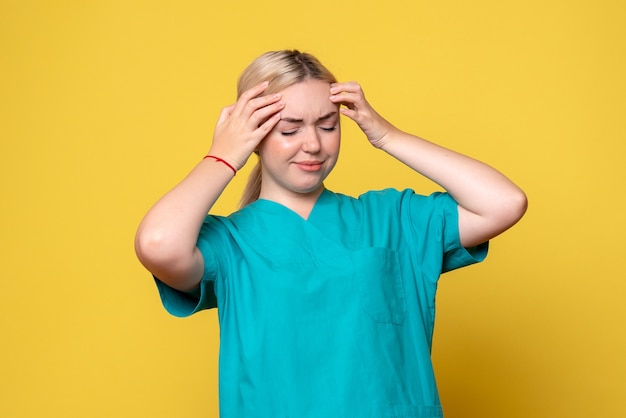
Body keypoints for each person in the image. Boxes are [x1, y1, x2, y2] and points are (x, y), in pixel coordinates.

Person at [135, 49, 527, 417]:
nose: (313, 145)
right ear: (252, 137)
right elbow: (158, 244)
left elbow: (503, 203)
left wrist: (387, 136)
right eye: (289, 130)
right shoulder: (230, 245)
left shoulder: (391, 218)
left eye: (328, 125)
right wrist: (223, 155)